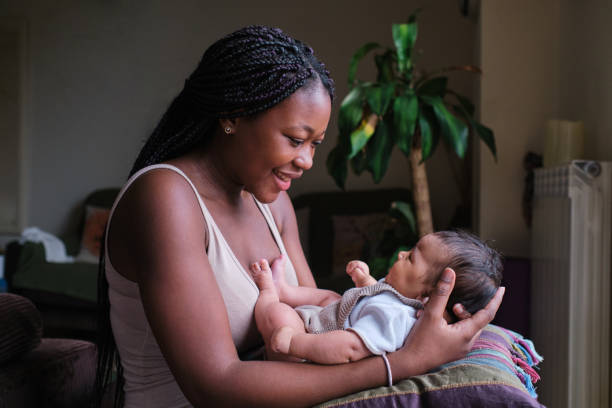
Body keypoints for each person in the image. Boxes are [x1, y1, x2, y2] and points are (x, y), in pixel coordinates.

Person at [94, 25, 505, 408]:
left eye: (316, 144)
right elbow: (215, 386)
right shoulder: (165, 198)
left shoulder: (272, 202)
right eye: (295, 140)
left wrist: (422, 324)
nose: (307, 161)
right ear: (232, 116)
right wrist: (403, 364)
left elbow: (321, 326)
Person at [250, 230, 503, 364]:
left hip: (313, 350)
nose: (402, 253)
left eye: (412, 257)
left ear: (426, 298)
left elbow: (349, 348)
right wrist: (365, 281)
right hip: (334, 317)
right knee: (330, 296)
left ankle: (270, 295)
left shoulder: (393, 319)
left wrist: (296, 342)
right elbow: (377, 298)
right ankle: (286, 290)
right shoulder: (400, 299)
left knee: (278, 314)